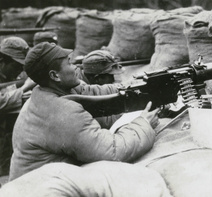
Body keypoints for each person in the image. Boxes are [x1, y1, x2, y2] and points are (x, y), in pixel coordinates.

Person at [9, 42, 160, 181]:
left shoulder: (49, 90)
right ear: (55, 75)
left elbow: (95, 93)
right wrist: (144, 123)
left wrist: (138, 87)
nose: (76, 67)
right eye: (69, 62)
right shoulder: (60, 110)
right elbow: (113, 151)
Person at [0, 36, 36, 176]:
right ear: (2, 61)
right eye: (17, 65)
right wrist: (25, 87)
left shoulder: (9, 77)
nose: (21, 70)